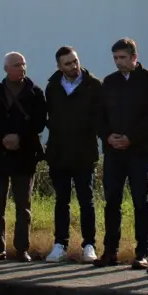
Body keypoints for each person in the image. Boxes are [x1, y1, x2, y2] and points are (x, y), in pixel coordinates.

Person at [95, 38, 148, 269]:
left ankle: (142, 252)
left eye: (123, 58)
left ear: (134, 57)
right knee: (112, 202)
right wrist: (108, 136)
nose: (119, 62)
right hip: (114, 152)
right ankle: (110, 251)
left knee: (140, 202)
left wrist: (131, 138)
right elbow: (100, 115)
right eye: (115, 58)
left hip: (139, 151)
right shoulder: (109, 82)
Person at [0, 52, 47, 262]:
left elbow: (39, 122)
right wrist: (3, 137)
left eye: (24, 64)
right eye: (17, 65)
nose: (22, 68)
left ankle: (21, 249)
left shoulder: (35, 92)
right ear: (6, 69)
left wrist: (19, 136)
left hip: (24, 155)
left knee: (23, 206)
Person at [43, 46, 104, 263]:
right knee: (62, 201)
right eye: (68, 63)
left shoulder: (94, 85)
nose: (73, 66)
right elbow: (47, 117)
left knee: (86, 200)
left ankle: (89, 245)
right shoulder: (52, 87)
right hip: (58, 153)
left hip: (84, 152)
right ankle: (60, 244)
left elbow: (100, 118)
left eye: (75, 61)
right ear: (59, 66)